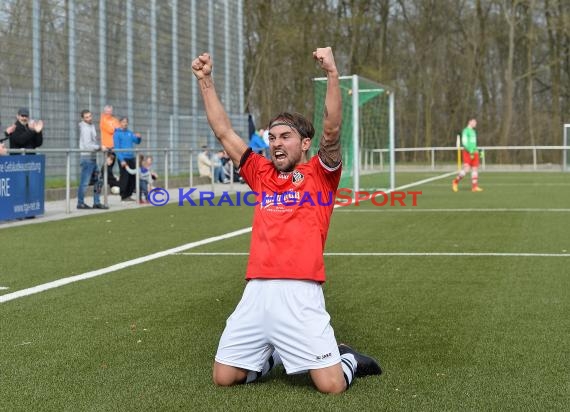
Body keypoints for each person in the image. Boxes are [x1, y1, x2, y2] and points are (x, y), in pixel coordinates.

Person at [191, 47, 382, 394]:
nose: (276, 144)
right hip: (257, 292)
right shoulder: (260, 173)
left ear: (305, 143)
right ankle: (271, 356)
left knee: (331, 385)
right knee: (224, 377)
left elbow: (333, 128)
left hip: (301, 292)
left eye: (285, 137)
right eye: (272, 138)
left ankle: (349, 359)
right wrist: (205, 80)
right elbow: (223, 132)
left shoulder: (321, 175)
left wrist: (333, 75)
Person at [76, 110, 108, 210]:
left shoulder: (91, 126)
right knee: (84, 183)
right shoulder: (85, 128)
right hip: (87, 158)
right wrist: (100, 147)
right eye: (86, 117)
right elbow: (88, 145)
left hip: (93, 158)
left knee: (98, 180)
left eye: (90, 116)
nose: (89, 118)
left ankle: (96, 202)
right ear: (83, 118)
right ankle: (80, 203)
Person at [113, 116, 142, 201]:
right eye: (123, 122)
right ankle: (123, 196)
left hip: (131, 157)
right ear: (120, 123)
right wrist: (121, 160)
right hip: (123, 158)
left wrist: (139, 137)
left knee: (133, 176)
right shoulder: (117, 134)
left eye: (126, 122)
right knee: (125, 177)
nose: (125, 123)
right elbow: (117, 148)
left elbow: (137, 141)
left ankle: (129, 194)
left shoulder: (130, 133)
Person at [452, 116, 483, 192]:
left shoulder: (473, 131)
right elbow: (464, 142)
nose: (475, 123)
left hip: (474, 152)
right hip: (468, 152)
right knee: (466, 169)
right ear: (470, 122)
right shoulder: (465, 131)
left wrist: (478, 151)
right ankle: (455, 182)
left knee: (475, 168)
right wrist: (470, 151)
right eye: (474, 121)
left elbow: (473, 143)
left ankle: (474, 187)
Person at [99, 105, 120, 176]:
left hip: (114, 145)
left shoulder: (115, 120)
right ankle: (101, 178)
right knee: (107, 163)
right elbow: (111, 130)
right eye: (107, 111)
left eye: (110, 111)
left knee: (111, 164)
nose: (109, 112)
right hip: (106, 146)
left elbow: (119, 129)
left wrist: (115, 128)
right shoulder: (103, 119)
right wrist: (114, 128)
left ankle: (108, 180)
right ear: (104, 111)